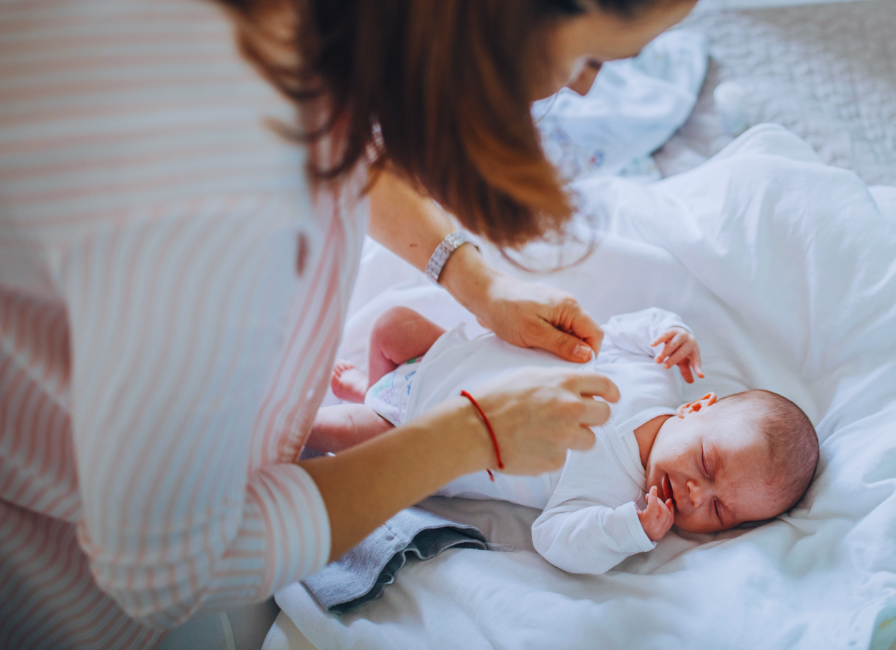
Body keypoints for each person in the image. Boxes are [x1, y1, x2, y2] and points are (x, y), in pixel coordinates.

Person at [0, 0, 699, 647]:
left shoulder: (298, 39)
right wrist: (469, 435)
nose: (579, 90)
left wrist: (474, 280)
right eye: (595, 59)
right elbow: (167, 569)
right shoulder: (221, 193)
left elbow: (342, 142)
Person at [312, 306, 820, 575]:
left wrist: (627, 532)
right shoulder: (656, 377)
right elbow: (616, 332)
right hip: (444, 363)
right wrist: (669, 329)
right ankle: (367, 389)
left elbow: (553, 539)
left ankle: (358, 407)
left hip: (416, 439)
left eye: (717, 513)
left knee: (330, 434)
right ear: (696, 407)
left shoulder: (613, 500)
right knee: (392, 324)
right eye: (707, 465)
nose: (694, 495)